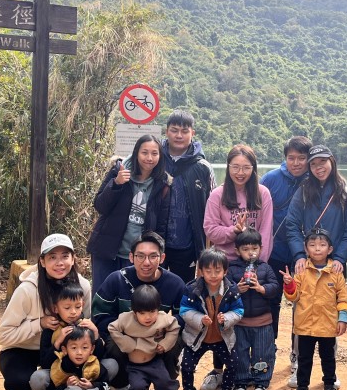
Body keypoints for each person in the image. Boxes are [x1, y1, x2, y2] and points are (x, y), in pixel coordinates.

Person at [285, 144, 347, 386]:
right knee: (301, 309)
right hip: (306, 262)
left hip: (334, 263)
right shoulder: (304, 191)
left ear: (332, 162)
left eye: (323, 162)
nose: (319, 168)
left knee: (332, 311)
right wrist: (299, 254)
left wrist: (339, 258)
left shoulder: (346, 193)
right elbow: (292, 224)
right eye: (314, 164)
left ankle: (330, 370)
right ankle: (297, 363)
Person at [0, 233, 91, 390]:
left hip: (63, 349)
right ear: (42, 261)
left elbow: (85, 323)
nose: (59, 263)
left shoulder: (83, 286)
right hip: (26, 349)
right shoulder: (27, 290)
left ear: (73, 259)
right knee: (18, 382)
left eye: (65, 256)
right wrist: (38, 324)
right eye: (52, 257)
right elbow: (3, 335)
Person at [91, 231, 186, 390]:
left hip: (157, 337)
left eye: (153, 256)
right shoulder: (116, 279)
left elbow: (184, 316)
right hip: (126, 336)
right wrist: (129, 332)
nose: (146, 262)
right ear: (131, 257)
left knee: (176, 339)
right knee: (112, 343)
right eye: (140, 256)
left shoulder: (174, 283)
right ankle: (121, 383)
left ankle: (166, 378)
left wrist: (163, 330)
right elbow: (100, 314)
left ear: (162, 258)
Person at [87, 134, 172, 291]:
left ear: (160, 156)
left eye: (154, 153)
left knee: (133, 300)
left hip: (138, 257)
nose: (149, 158)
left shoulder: (163, 184)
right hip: (108, 250)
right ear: (136, 153)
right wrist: (116, 183)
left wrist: (156, 256)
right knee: (102, 296)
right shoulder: (119, 171)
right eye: (144, 152)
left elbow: (161, 226)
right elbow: (100, 206)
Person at [281, 227, 347, 390]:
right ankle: (302, 388)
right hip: (305, 325)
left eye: (322, 245)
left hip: (328, 325)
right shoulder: (301, 270)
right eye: (312, 245)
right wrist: (289, 284)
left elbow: (344, 298)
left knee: (328, 358)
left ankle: (330, 386)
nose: (317, 248)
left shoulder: (336, 272)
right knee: (304, 358)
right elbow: (294, 297)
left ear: (330, 249)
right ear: (306, 249)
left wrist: (343, 318)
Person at [178, 248, 245, 390]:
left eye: (217, 270)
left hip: (222, 337)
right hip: (197, 337)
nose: (213, 275)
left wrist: (226, 318)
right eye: (208, 271)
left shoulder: (232, 290)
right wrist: (200, 319)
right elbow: (184, 310)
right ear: (201, 271)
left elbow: (239, 310)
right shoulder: (192, 289)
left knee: (233, 363)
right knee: (187, 365)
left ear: (225, 271)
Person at [107, 284, 185, 390]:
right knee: (137, 386)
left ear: (158, 309)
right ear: (134, 312)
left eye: (152, 311)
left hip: (155, 361)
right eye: (142, 313)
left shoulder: (162, 318)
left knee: (164, 381)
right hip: (134, 365)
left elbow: (175, 327)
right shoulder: (126, 319)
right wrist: (127, 343)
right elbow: (112, 328)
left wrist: (165, 344)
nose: (148, 317)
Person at [260, 136, 311, 340]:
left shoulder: (314, 181)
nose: (296, 163)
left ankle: (298, 350)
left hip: (304, 254)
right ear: (285, 158)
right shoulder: (270, 179)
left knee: (302, 302)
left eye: (301, 158)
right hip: (274, 251)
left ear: (308, 159)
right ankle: (269, 345)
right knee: (271, 299)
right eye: (291, 158)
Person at [160, 111, 215, 283]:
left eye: (184, 131)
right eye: (174, 130)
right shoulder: (155, 159)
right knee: (152, 291)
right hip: (155, 240)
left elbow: (213, 207)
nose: (179, 135)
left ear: (193, 133)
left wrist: (207, 249)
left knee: (184, 290)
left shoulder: (203, 167)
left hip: (187, 244)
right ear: (166, 131)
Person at [228, 228, 281, 390]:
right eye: (245, 249)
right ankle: (241, 381)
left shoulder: (265, 267)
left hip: (263, 321)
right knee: (240, 352)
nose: (251, 253)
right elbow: (225, 289)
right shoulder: (232, 268)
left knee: (263, 352)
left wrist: (262, 288)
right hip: (239, 322)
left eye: (254, 248)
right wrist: (236, 289)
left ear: (261, 249)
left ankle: (261, 381)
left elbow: (275, 287)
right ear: (237, 251)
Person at [203, 144, 274, 262]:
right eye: (235, 167)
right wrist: (234, 231)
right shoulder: (217, 195)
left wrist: (258, 264)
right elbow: (211, 231)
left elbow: (266, 233)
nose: (240, 173)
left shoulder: (263, 193)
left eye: (246, 168)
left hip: (254, 261)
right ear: (228, 167)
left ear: (253, 168)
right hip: (225, 262)